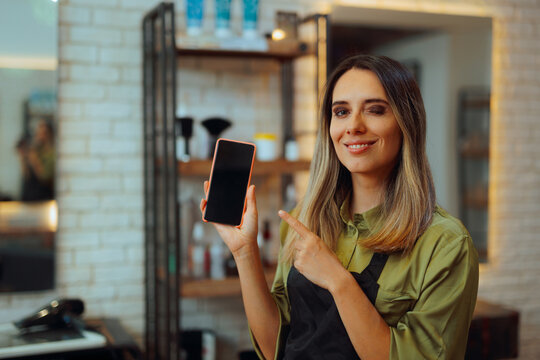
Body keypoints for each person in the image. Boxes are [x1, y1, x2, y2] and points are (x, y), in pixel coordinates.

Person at [200, 54, 479, 359]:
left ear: (405, 122)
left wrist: (337, 280)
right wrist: (245, 252)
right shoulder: (302, 221)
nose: (354, 126)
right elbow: (272, 348)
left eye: (375, 110)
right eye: (341, 111)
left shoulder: (446, 244)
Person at [16, 119, 55, 201]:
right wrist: (23, 158)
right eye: (38, 132)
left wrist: (34, 159)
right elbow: (26, 176)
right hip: (29, 196)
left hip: (43, 197)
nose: (39, 135)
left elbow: (44, 177)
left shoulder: (52, 154)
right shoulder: (37, 150)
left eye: (43, 133)